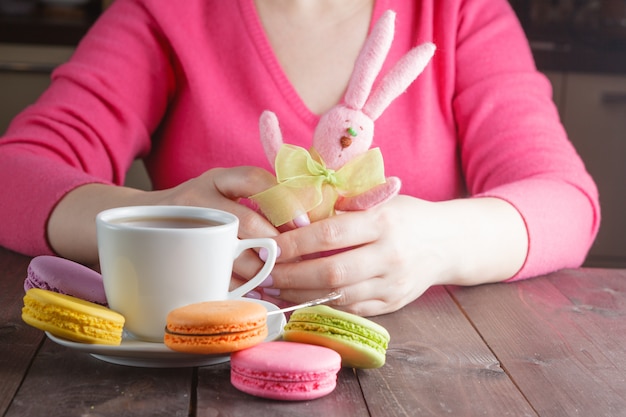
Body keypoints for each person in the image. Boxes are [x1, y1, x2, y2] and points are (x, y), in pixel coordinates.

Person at [0, 0, 600, 316]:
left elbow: (564, 201)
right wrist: (158, 215)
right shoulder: (163, 13)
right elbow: (16, 171)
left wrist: (439, 241)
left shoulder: (463, 12)